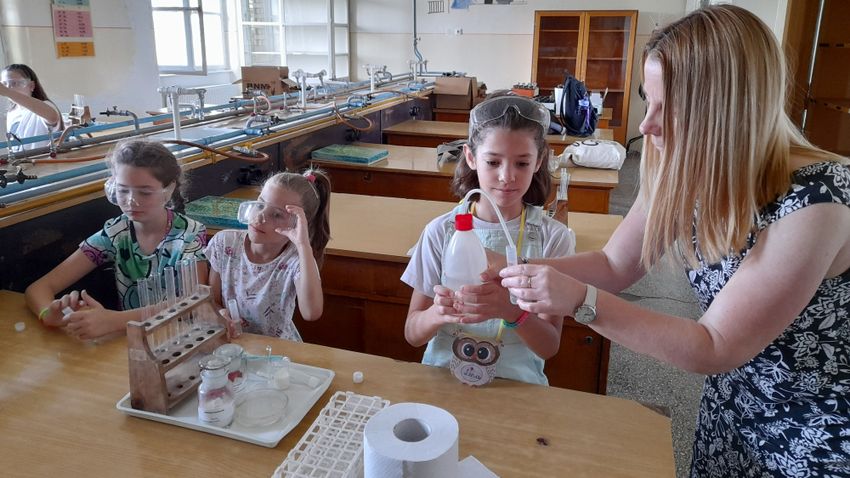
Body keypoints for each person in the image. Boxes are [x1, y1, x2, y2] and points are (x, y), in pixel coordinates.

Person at [496, 5, 850, 476]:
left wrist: (581, 301)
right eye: (649, 98)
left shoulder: (817, 200)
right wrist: (509, 268)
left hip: (815, 427)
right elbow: (615, 263)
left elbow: (714, 344)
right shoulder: (682, 166)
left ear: (727, 111)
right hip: (732, 407)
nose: (647, 124)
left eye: (670, 107)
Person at [402, 95, 576, 386]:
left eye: (522, 163)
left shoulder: (552, 239)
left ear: (540, 161)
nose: (507, 176)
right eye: (493, 161)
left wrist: (510, 311)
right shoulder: (440, 232)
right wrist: (438, 313)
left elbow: (549, 346)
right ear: (470, 157)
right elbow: (412, 333)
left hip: (517, 386)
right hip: (442, 381)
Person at [25, 140, 208, 341]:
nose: (131, 201)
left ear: (169, 189)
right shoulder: (116, 233)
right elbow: (39, 288)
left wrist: (113, 321)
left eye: (145, 192)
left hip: (181, 340)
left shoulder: (189, 235)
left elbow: (194, 303)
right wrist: (48, 315)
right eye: (122, 190)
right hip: (129, 341)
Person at [205, 169, 331, 340]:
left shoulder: (296, 260)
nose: (260, 217)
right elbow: (213, 300)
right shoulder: (225, 243)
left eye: (277, 214)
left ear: (298, 224)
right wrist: (219, 313)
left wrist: (303, 245)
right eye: (260, 204)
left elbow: (311, 312)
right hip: (233, 343)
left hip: (276, 353)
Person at [1, 64, 62, 150]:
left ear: (31, 86)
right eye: (4, 84)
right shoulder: (11, 111)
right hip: (22, 162)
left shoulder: (44, 105)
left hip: (43, 162)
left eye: (14, 83)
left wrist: (7, 92)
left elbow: (52, 117)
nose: (8, 87)